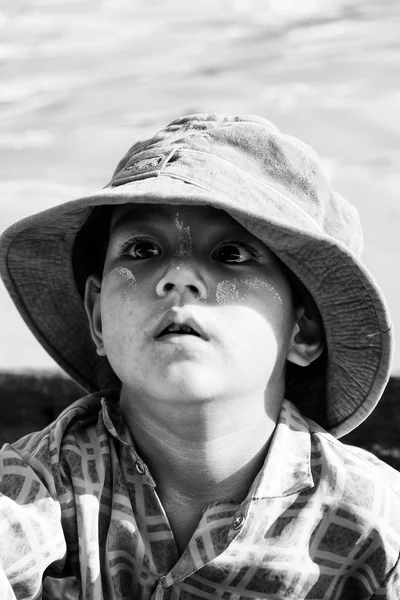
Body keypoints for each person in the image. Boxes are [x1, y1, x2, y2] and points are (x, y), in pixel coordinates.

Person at [0, 113, 399, 600]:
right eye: (143, 248)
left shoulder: (375, 528)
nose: (178, 277)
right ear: (98, 317)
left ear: (304, 327)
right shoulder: (33, 487)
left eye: (231, 254)